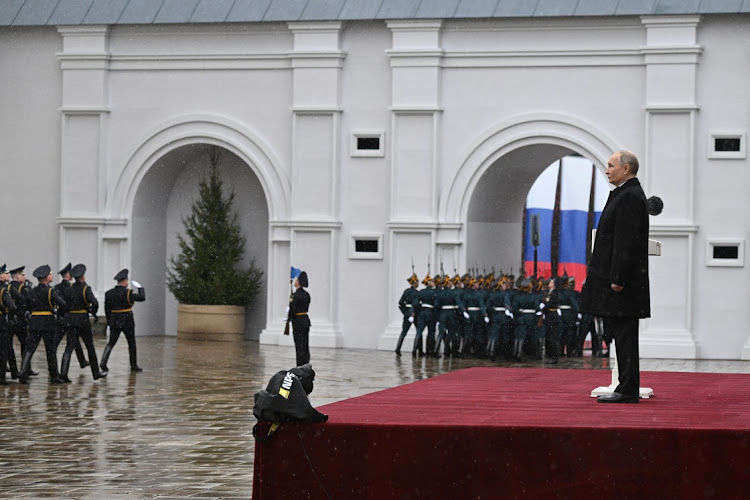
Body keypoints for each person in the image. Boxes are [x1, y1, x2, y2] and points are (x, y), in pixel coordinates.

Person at [580, 150, 650, 404]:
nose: (607, 169)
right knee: (622, 334)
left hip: (623, 285)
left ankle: (628, 389)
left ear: (626, 168)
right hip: (621, 282)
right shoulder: (625, 194)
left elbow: (625, 242)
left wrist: (618, 278)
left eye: (611, 165)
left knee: (625, 335)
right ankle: (626, 386)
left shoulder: (629, 197)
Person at [18, 265, 67, 384]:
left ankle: (23, 373)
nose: (52, 275)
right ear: (46, 278)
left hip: (34, 322)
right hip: (47, 322)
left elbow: (26, 306)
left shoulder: (32, 291)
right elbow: (62, 304)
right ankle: (54, 376)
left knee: (30, 348)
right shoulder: (50, 291)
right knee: (50, 350)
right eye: (50, 274)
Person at [60, 264, 106, 382]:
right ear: (83, 277)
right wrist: (92, 311)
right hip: (82, 320)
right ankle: (95, 373)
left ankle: (64, 373)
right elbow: (95, 302)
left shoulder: (69, 288)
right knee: (90, 346)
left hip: (70, 320)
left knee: (69, 348)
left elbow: (64, 304)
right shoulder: (86, 288)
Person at [101, 269, 146, 372]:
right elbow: (142, 297)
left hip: (114, 320)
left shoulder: (109, 293)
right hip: (127, 321)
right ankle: (133, 365)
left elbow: (107, 309)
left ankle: (103, 362)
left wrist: (109, 321)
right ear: (125, 281)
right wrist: (140, 287)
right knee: (131, 343)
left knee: (111, 343)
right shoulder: (128, 293)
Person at [53, 263, 88, 369]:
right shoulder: (71, 287)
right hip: (70, 317)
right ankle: (79, 362)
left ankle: (81, 361)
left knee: (62, 342)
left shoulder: (57, 287)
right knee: (71, 342)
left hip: (60, 317)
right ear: (68, 275)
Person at [287, 271, 311, 366]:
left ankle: (300, 364)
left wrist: (289, 318)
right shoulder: (307, 294)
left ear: (299, 282)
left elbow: (293, 310)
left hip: (297, 322)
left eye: (296, 280)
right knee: (305, 345)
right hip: (305, 320)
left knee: (299, 346)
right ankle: (306, 363)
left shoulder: (295, 295)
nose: (295, 281)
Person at [0, 264, 17, 384]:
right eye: (5, 273)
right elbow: (12, 306)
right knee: (3, 350)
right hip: (1, 322)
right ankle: (1, 378)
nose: (7, 275)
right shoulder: (3, 290)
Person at [395, 272, 419, 356]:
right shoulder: (417, 293)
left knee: (404, 332)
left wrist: (405, 312)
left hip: (407, 313)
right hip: (414, 313)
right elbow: (415, 304)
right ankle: (415, 350)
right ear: (414, 282)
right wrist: (413, 313)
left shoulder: (406, 291)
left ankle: (398, 348)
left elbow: (401, 302)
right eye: (417, 281)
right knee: (418, 331)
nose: (418, 283)